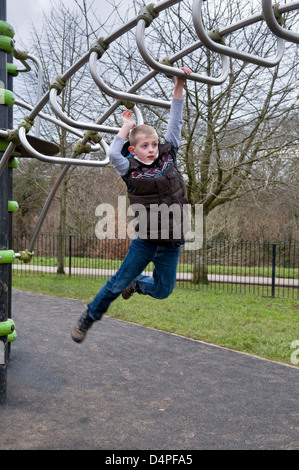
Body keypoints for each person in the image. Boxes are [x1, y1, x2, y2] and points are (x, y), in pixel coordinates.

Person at [71, 66, 192, 343]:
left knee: (163, 290)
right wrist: (125, 127)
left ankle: (138, 285)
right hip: (146, 241)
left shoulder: (169, 155)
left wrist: (179, 83)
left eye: (153, 144)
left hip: (172, 241)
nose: (150, 149)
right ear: (134, 149)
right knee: (116, 283)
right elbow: (113, 152)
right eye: (144, 146)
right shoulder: (129, 168)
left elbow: (176, 118)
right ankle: (89, 317)